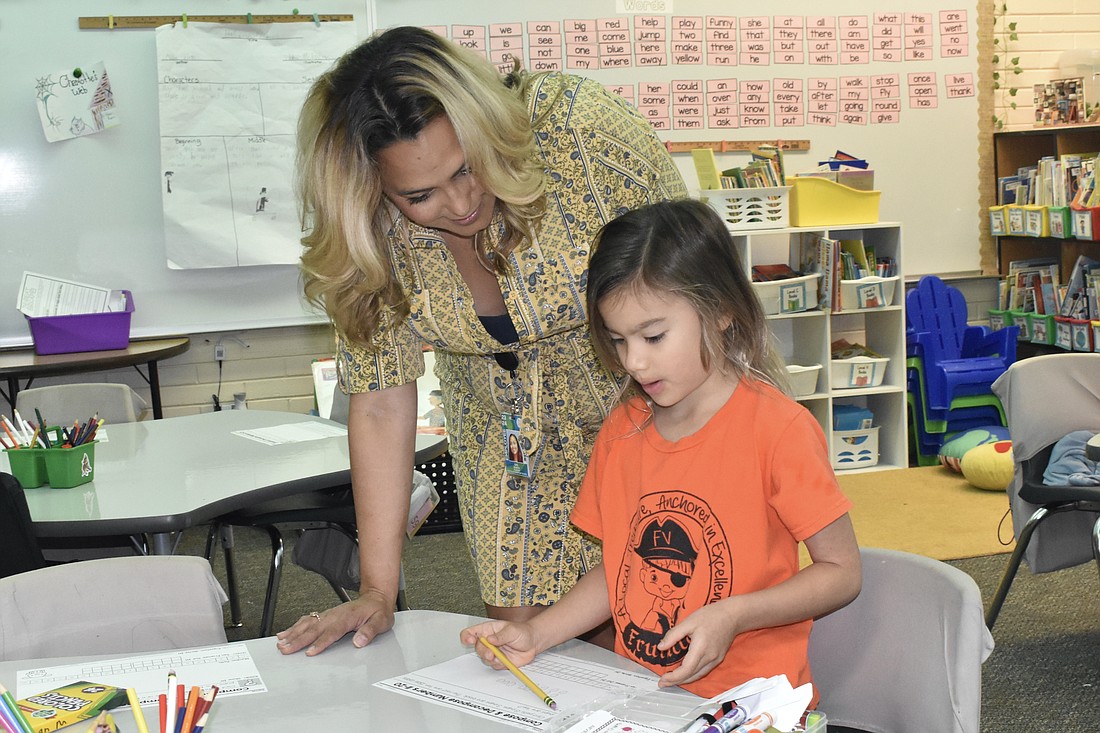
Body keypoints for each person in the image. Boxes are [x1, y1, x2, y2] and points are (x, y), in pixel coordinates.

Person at [275, 26, 686, 656]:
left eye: (468, 167)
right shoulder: (368, 237)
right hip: (506, 439)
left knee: (657, 631)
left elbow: (697, 300)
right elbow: (381, 399)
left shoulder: (582, 132)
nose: (462, 202)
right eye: (419, 194)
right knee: (526, 654)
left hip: (652, 410)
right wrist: (379, 590)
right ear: (371, 190)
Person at [460, 199, 861, 701]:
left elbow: (841, 573)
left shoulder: (779, 430)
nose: (634, 361)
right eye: (619, 340)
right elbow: (618, 571)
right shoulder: (623, 430)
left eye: (653, 336)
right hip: (648, 700)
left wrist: (734, 614)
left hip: (754, 705)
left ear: (720, 312)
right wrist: (537, 633)